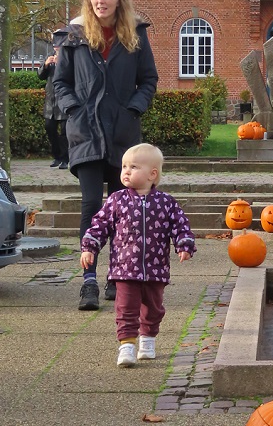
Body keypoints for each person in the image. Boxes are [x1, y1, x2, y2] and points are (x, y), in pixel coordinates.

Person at [54, 0, 158, 311]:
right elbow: (61, 83)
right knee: (90, 208)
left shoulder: (136, 36)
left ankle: (117, 273)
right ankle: (88, 281)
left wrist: (134, 109)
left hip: (122, 135)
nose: (101, 1)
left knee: (120, 207)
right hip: (85, 132)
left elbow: (148, 80)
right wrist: (73, 109)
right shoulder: (74, 37)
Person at [80, 143, 195, 368]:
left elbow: (180, 225)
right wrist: (89, 246)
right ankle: (127, 345)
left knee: (154, 309)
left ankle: (148, 338)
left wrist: (184, 244)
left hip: (156, 269)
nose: (126, 171)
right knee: (125, 308)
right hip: (125, 268)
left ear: (152, 174)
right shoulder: (116, 200)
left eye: (133, 166)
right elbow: (99, 225)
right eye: (124, 166)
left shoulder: (166, 203)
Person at [38, 44, 69, 169]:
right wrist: (45, 65)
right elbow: (40, 76)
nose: (56, 48)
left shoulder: (68, 57)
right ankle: (57, 156)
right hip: (51, 102)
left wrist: (61, 64)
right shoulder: (49, 56)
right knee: (49, 128)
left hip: (64, 100)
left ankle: (65, 159)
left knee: (64, 132)